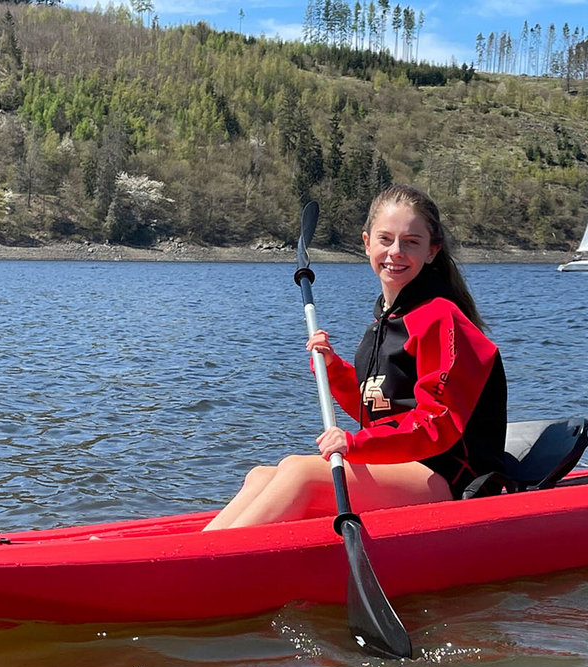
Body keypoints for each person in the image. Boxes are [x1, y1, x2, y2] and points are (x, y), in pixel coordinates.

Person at [203, 184, 507, 531]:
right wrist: (334, 370)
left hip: (451, 478)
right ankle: (198, 552)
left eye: (411, 242)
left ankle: (200, 569)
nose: (396, 252)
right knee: (262, 475)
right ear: (366, 243)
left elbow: (437, 426)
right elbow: (375, 405)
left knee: (301, 473)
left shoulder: (442, 319)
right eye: (385, 239)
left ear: (432, 251)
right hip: (406, 466)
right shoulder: (387, 320)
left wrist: (355, 444)